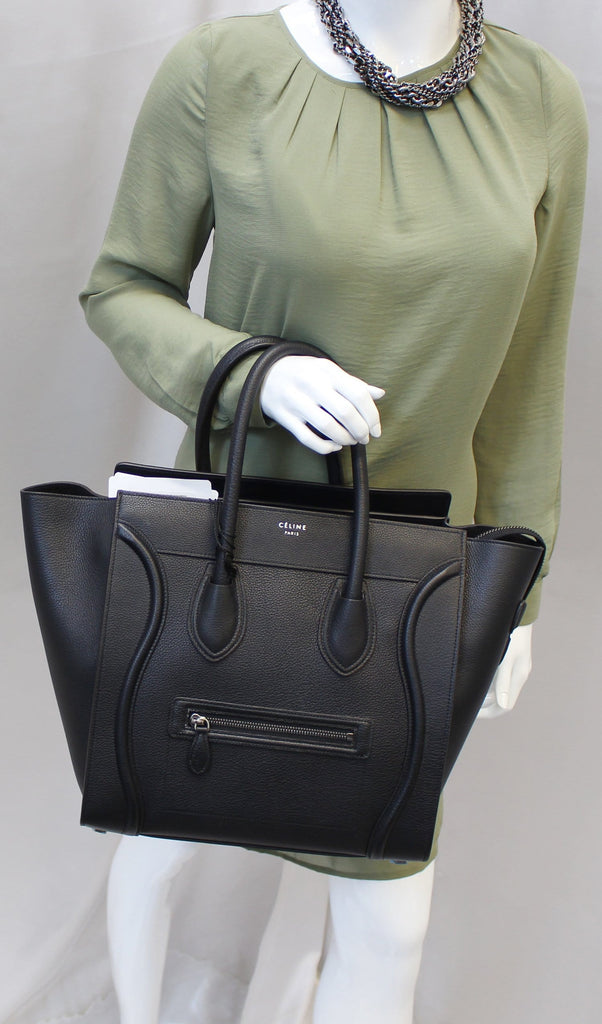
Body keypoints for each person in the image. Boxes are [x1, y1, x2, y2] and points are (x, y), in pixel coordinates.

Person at [79, 1, 587, 1020]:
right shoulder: (226, 68)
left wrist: (520, 594)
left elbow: (528, 378)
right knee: (162, 845)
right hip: (227, 557)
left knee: (387, 921)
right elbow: (123, 287)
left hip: (411, 581)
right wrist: (250, 376)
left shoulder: (539, 102)